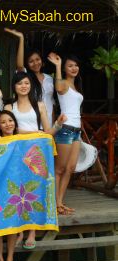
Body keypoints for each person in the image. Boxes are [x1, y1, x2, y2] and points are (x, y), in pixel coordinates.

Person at [3, 71, 66, 249]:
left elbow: (47, 132)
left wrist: (58, 124)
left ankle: (31, 231)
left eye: (26, 83)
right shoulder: (9, 107)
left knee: (34, 189)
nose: (23, 86)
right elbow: (11, 130)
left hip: (37, 152)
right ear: (14, 87)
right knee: (17, 189)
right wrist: (33, 133)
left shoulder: (39, 105)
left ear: (31, 86)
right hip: (16, 152)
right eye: (20, 83)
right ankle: (19, 230)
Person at [48, 52, 83, 215]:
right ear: (64, 69)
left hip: (76, 131)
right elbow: (58, 87)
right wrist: (57, 65)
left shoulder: (75, 86)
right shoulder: (64, 85)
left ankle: (60, 202)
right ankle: (54, 203)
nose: (74, 68)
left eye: (75, 65)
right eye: (70, 66)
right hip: (66, 129)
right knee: (59, 169)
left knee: (70, 168)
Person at [4, 28, 56, 125]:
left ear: (42, 60)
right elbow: (19, 65)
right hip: (32, 123)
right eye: (31, 61)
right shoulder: (27, 78)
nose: (35, 63)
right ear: (27, 64)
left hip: (48, 122)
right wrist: (21, 38)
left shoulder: (49, 78)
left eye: (37, 59)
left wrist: (52, 124)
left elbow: (51, 103)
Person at [0, 110, 20, 261]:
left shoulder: (22, 140)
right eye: (3, 122)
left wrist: (57, 125)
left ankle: (10, 258)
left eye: (10, 120)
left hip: (15, 188)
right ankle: (0, 259)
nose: (8, 124)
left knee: (12, 225)